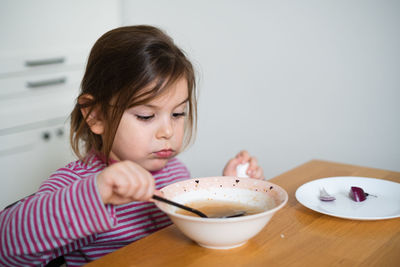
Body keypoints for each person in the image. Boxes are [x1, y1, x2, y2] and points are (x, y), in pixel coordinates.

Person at [0, 25, 264, 266]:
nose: (168, 131)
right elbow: (5, 246)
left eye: (177, 114)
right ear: (96, 116)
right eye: (146, 116)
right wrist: (95, 193)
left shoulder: (175, 172)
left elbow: (190, 241)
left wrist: (230, 192)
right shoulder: (75, 184)